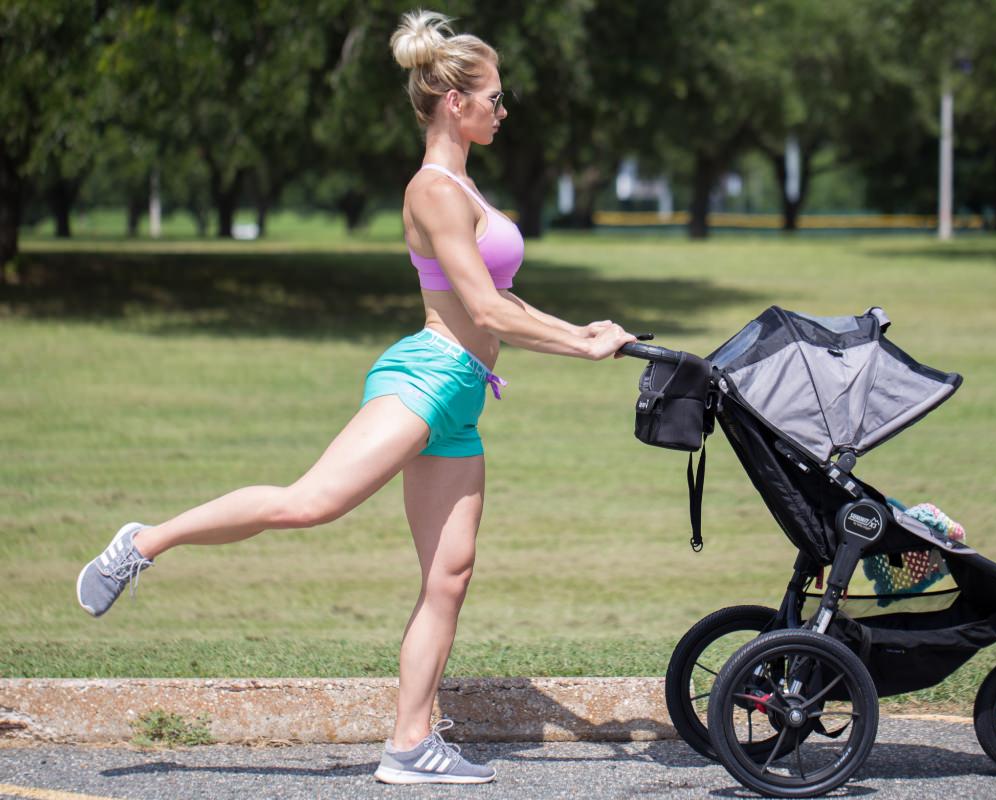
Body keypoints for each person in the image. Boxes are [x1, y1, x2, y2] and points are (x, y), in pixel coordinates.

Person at [75, 9, 636, 787]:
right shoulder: (434, 192)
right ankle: (144, 542)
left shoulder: (466, 185)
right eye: (496, 99)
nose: (504, 111)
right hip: (428, 377)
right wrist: (581, 342)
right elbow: (484, 311)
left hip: (462, 394)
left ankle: (410, 746)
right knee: (311, 503)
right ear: (454, 103)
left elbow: (502, 298)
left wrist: (581, 327)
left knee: (450, 574)